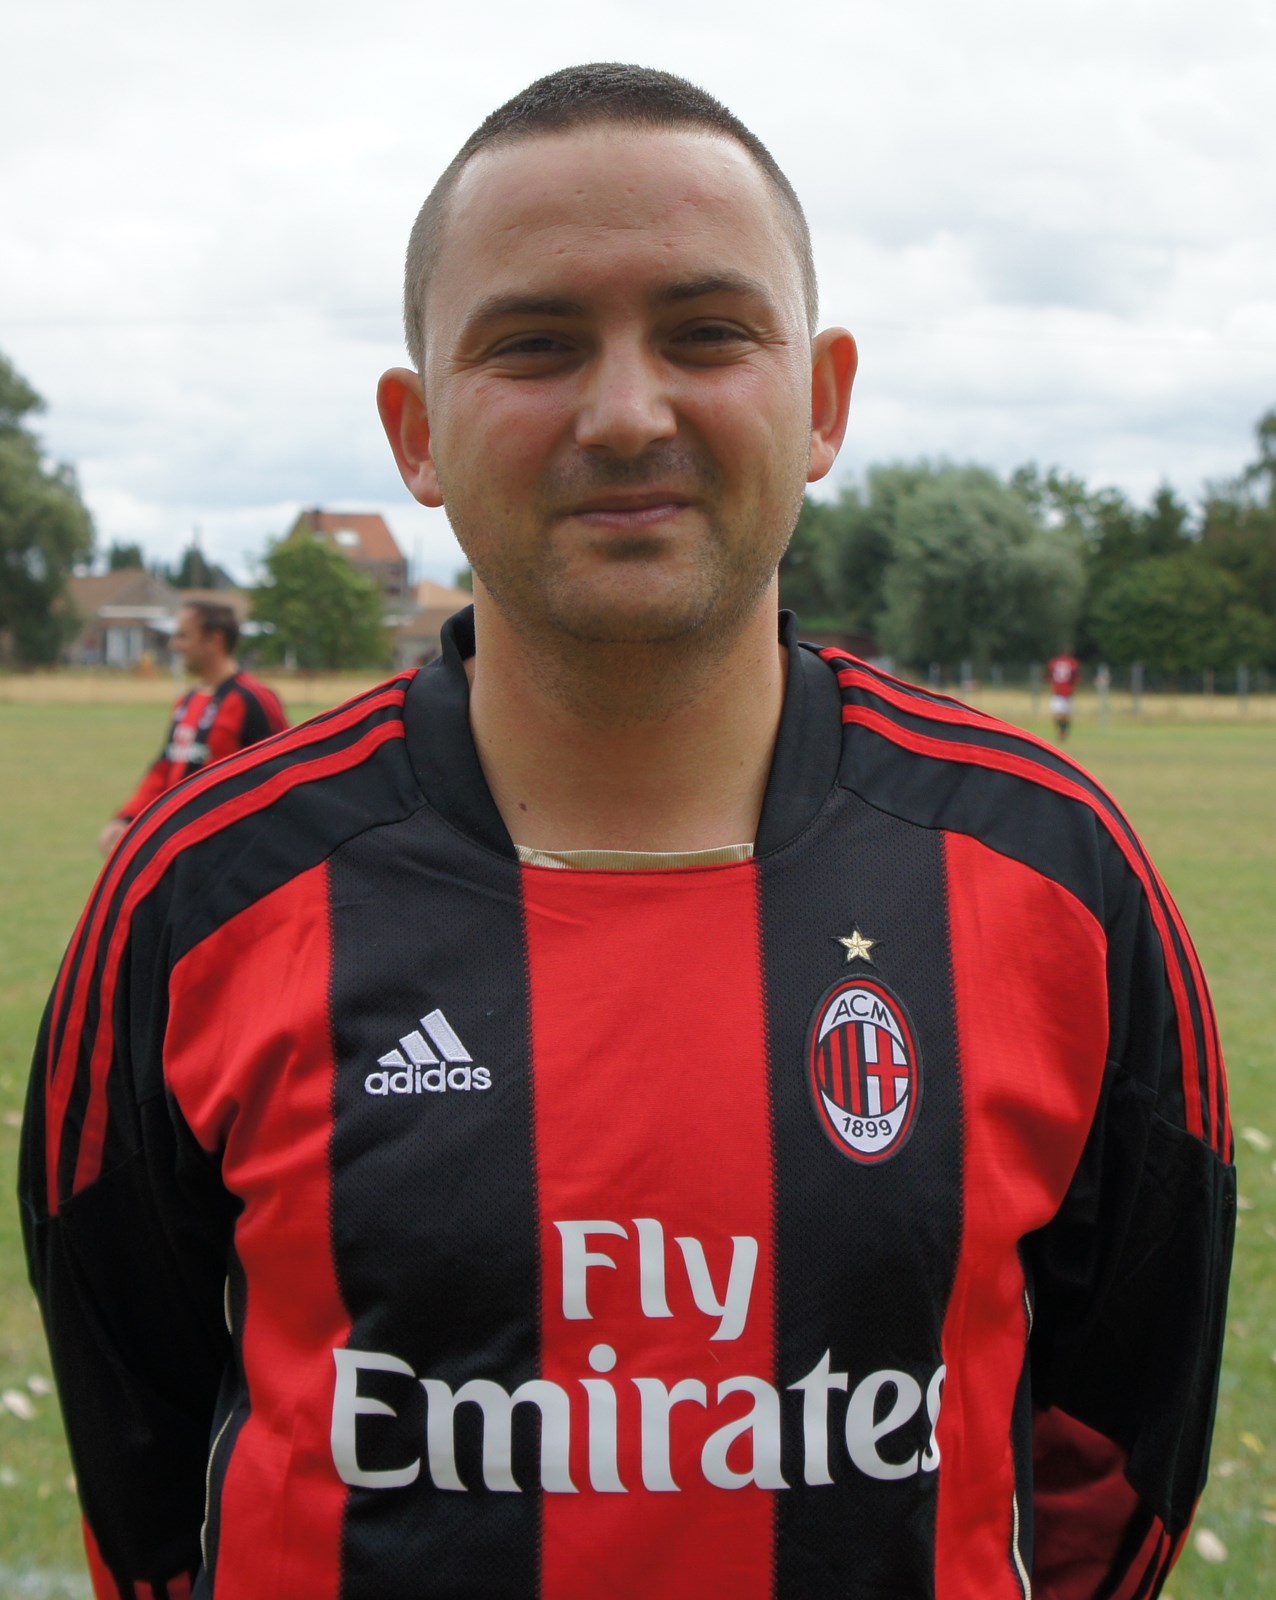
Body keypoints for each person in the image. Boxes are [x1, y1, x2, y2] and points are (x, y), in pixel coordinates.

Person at [20, 64, 1233, 1600]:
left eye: (707, 333)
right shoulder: (201, 894)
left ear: (823, 402)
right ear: (416, 433)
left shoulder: (1054, 874)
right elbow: (144, 1471)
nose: (625, 413)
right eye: (534, 344)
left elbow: (1118, 1455)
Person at [97, 599, 288, 855]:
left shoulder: (253, 698)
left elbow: (285, 774)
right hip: (181, 848)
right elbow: (166, 765)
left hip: (232, 853)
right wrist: (127, 818)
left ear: (215, 640)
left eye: (183, 636)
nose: (173, 644)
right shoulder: (187, 701)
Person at [1047, 649, 1082, 742]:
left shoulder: (1054, 662)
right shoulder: (1072, 663)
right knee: (1065, 715)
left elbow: (1050, 676)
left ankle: (1061, 732)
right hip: (1067, 692)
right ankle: (1063, 732)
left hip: (1057, 691)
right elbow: (1076, 677)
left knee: (1058, 714)